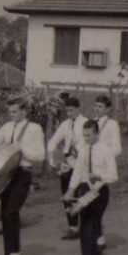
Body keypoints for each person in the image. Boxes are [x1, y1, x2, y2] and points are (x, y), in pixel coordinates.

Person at [0, 98, 45, 255]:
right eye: (10, 112)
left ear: (24, 112)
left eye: (15, 111)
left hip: (22, 173)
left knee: (11, 211)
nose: (11, 115)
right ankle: (10, 254)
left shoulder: (34, 128)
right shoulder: (6, 127)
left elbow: (40, 155)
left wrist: (21, 151)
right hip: (6, 174)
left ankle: (14, 254)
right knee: (5, 212)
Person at [62, 120, 118, 255]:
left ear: (97, 134)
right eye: (84, 136)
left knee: (91, 226)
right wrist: (70, 191)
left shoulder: (106, 151)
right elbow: (78, 172)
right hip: (85, 191)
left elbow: (113, 176)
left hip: (100, 191)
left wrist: (99, 176)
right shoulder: (83, 150)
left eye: (89, 135)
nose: (86, 139)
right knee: (85, 227)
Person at [48, 97, 87, 240]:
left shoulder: (86, 123)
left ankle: (85, 226)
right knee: (67, 196)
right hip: (68, 163)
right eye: (67, 111)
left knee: (82, 196)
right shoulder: (65, 125)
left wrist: (78, 150)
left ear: (78, 108)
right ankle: (73, 227)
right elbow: (53, 141)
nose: (69, 114)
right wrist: (51, 159)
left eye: (71, 110)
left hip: (81, 163)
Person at [93, 95, 122, 252]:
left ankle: (99, 240)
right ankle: (96, 238)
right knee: (89, 204)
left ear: (108, 109)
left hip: (103, 169)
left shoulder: (112, 124)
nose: (97, 109)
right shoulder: (91, 123)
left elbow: (117, 148)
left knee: (98, 204)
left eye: (100, 107)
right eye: (96, 106)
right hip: (90, 168)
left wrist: (104, 157)